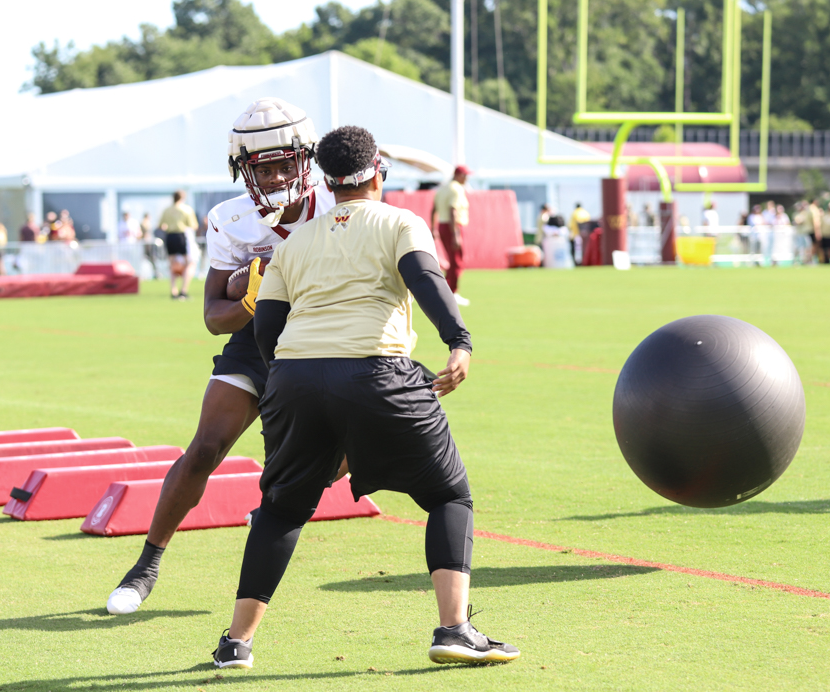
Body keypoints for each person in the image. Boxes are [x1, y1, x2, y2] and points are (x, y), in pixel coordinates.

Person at [210, 124, 519, 670]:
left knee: (281, 511)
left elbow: (268, 328)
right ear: (379, 171)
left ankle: (237, 643)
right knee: (449, 497)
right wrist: (459, 341)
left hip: (295, 379)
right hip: (378, 372)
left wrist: (288, 388)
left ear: (325, 181)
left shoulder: (294, 241)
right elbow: (426, 280)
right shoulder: (400, 222)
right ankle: (455, 630)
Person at [105, 98, 336, 617]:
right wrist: (252, 295)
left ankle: (282, 497)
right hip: (259, 339)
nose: (276, 177)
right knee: (205, 447)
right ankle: (146, 564)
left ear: (307, 158)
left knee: (357, 444)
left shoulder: (336, 203)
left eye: (284, 164)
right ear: (242, 169)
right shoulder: (231, 219)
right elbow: (213, 315)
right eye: (263, 168)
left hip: (325, 339)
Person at [431, 165, 472, 306]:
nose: (466, 179)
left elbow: (434, 209)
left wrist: (433, 227)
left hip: (443, 225)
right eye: (465, 176)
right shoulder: (456, 189)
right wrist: (455, 234)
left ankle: (446, 291)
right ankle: (451, 292)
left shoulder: (443, 188)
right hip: (453, 226)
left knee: (453, 261)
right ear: (459, 175)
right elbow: (453, 211)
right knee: (457, 262)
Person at [159, 191, 199, 299]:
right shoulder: (186, 209)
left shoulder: (167, 210)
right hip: (182, 236)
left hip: (170, 237)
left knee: (172, 264)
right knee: (188, 263)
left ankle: (173, 291)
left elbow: (161, 225)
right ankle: (183, 291)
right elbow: (194, 225)